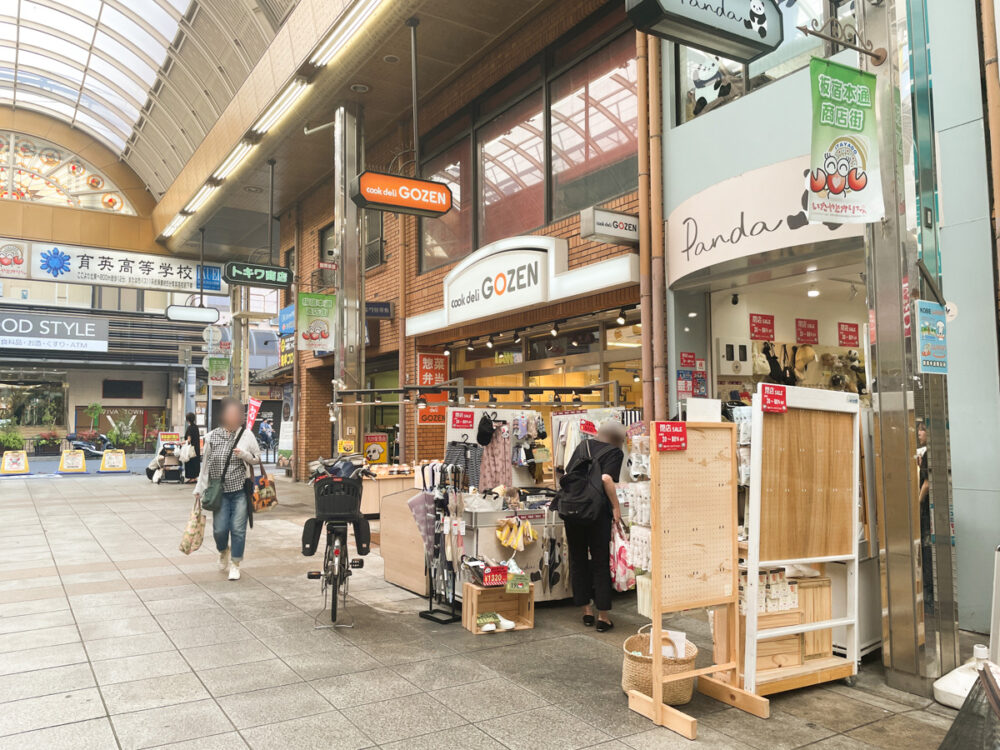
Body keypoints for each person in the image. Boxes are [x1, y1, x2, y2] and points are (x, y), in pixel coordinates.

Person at [562, 420, 625, 632]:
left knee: (578, 559)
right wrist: (616, 507)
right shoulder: (614, 452)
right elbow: (607, 479)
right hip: (596, 513)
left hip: (573, 510)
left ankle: (586, 612)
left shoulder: (583, 446)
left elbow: (567, 473)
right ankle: (603, 617)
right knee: (600, 561)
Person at [194, 397, 261, 581]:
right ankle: (223, 550)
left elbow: (257, 458)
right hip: (219, 493)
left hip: (240, 491)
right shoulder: (212, 436)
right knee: (219, 530)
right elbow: (205, 465)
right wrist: (199, 488)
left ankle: (235, 564)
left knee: (238, 529)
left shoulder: (247, 435)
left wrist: (244, 455)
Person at [183, 412, 201, 483]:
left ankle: (192, 478)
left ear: (187, 419)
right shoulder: (196, 427)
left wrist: (181, 442)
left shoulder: (189, 428)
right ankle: (195, 477)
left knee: (190, 462)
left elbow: (189, 440)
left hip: (191, 449)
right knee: (196, 462)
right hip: (196, 448)